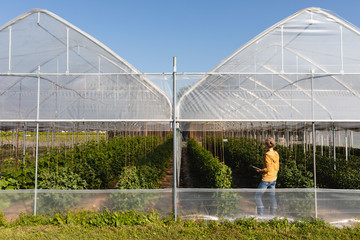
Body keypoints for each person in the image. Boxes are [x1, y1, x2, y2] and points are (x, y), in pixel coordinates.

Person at [255, 137, 279, 217]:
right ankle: (273, 216)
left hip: (266, 179)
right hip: (273, 178)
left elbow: (267, 169)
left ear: (266, 145)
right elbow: (277, 167)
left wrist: (260, 171)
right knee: (272, 197)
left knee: (257, 196)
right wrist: (275, 175)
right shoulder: (276, 153)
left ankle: (260, 215)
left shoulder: (267, 155)